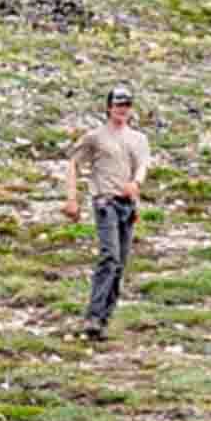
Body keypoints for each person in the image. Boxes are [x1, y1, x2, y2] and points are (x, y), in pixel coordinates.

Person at [65, 87, 149, 340]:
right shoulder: (95, 137)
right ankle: (93, 315)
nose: (122, 109)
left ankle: (103, 318)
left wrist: (136, 183)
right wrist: (72, 198)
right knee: (109, 257)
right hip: (105, 202)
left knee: (119, 264)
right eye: (118, 104)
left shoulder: (139, 139)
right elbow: (73, 163)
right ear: (109, 107)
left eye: (127, 104)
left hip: (127, 204)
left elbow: (143, 165)